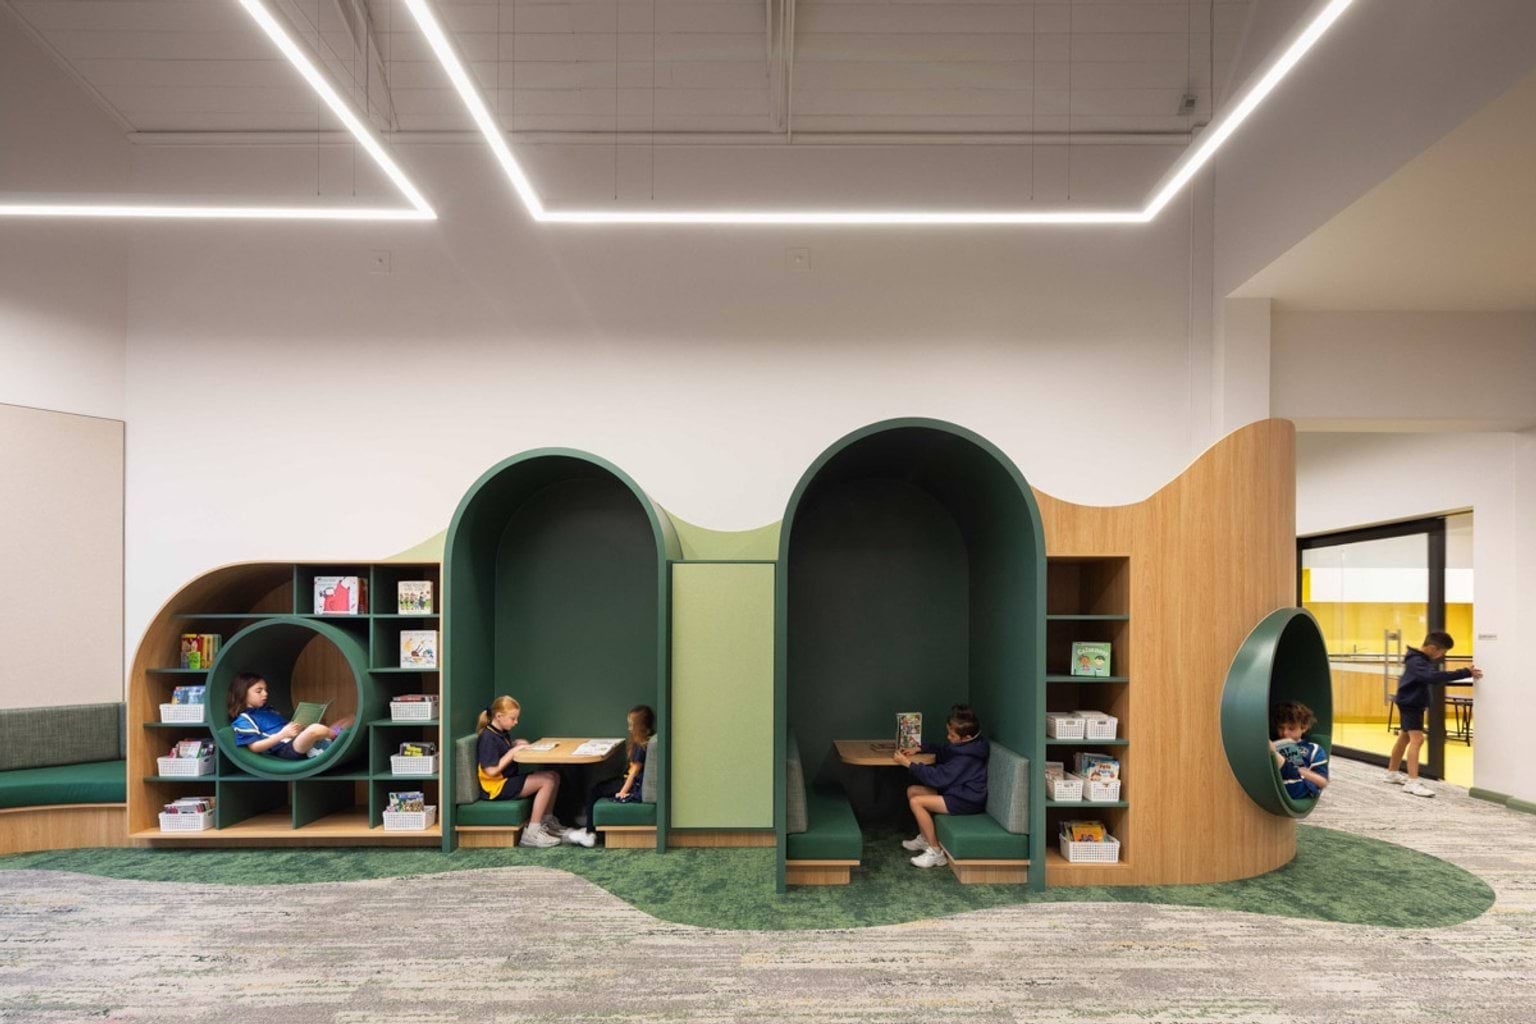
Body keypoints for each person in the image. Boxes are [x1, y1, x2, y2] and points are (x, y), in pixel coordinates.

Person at [1386, 631, 1482, 797]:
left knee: (1405, 737)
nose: (1441, 656)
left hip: (1409, 701)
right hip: (1411, 704)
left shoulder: (1417, 659)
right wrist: (1464, 672)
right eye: (1442, 652)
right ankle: (1412, 782)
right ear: (1432, 648)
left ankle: (1392, 773)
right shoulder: (1417, 661)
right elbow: (1433, 677)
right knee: (1418, 739)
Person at [895, 703, 990, 869]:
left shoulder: (967, 757)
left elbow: (938, 778)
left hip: (966, 800)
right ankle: (925, 839)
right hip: (956, 791)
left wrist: (908, 764)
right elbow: (945, 749)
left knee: (917, 801)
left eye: (952, 735)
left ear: (966, 737)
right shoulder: (967, 746)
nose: (948, 737)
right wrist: (920, 748)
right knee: (913, 790)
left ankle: (936, 853)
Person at [476, 695, 569, 847]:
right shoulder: (487, 737)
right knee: (547, 780)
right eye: (513, 718)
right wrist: (512, 753)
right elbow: (491, 771)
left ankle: (547, 822)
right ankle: (532, 833)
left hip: (506, 781)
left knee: (554, 775)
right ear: (499, 716)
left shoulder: (500, 732)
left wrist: (514, 744)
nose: (516, 722)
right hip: (496, 788)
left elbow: (500, 752)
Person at [565, 705, 655, 848]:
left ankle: (589, 833)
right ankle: (589, 821)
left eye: (631, 725)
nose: (629, 729)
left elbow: (634, 773)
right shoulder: (646, 740)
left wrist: (623, 791)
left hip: (632, 785)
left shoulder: (640, 746)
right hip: (631, 782)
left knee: (594, 790)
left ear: (639, 726)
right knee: (598, 787)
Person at [228, 672, 353, 760]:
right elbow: (254, 747)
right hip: (285, 748)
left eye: (266, 690)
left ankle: (328, 737)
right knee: (315, 729)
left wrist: (298, 725)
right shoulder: (244, 719)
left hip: (297, 737)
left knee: (350, 718)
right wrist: (282, 735)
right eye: (259, 691)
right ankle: (334, 737)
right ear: (243, 693)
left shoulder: (268, 710)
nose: (265, 694)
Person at [1270, 701, 1329, 800]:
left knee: (1270, 749)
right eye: (1281, 728)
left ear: (1304, 728)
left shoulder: (1313, 749)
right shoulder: (1275, 743)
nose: (1284, 733)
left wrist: (1298, 770)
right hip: (1276, 784)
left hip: (1298, 785)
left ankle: (1279, 759)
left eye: (1291, 729)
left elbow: (1322, 782)